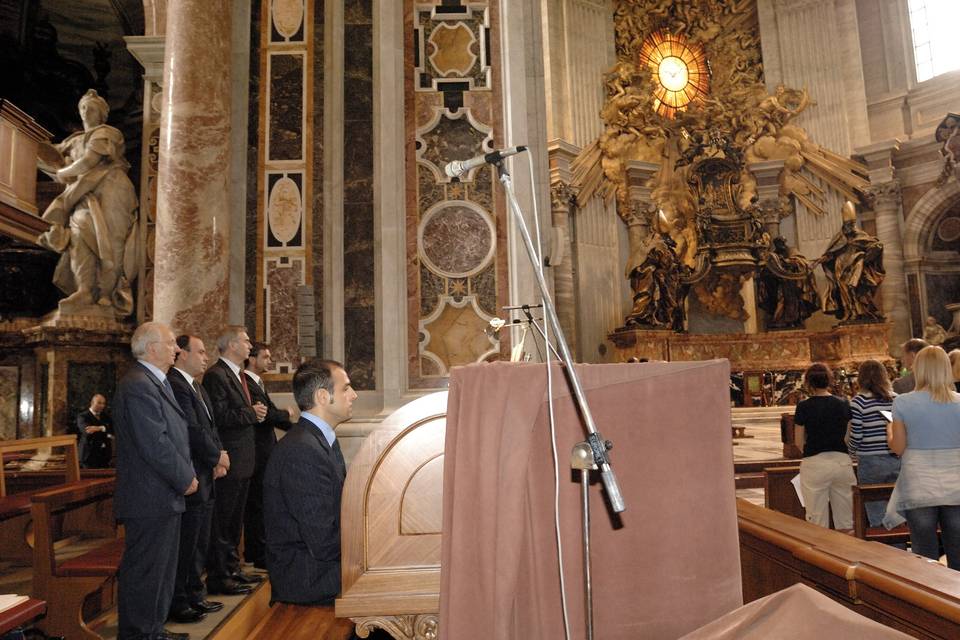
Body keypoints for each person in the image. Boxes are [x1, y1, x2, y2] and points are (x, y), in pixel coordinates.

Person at [112, 322, 197, 640]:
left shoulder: (153, 381)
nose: (177, 348)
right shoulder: (138, 384)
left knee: (161, 571)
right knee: (146, 572)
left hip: (161, 495)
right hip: (149, 496)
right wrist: (184, 476)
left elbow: (174, 436)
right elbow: (155, 443)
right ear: (150, 348)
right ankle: (139, 634)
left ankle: (153, 629)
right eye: (172, 342)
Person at [36, 88, 138, 315]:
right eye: (82, 107)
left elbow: (89, 162)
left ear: (103, 113)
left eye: (91, 108)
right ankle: (84, 290)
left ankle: (107, 294)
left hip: (111, 190)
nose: (85, 112)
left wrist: (64, 173)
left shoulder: (108, 133)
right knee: (79, 236)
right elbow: (50, 156)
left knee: (110, 242)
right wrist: (26, 138)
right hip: (83, 196)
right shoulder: (73, 141)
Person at [263, 359, 356, 604]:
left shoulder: (315, 440)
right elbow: (324, 542)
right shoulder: (302, 451)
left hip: (319, 567)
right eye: (346, 388)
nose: (354, 395)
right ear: (323, 396)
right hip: (308, 578)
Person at [167, 335, 231, 624]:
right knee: (188, 542)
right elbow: (191, 430)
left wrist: (218, 454)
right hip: (192, 471)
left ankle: (195, 594)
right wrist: (215, 456)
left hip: (206, 471)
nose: (206, 357)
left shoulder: (197, 387)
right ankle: (180, 601)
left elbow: (210, 425)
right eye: (201, 352)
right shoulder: (177, 385)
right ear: (182, 355)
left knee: (200, 540)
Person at [202, 326, 267, 595]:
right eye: (245, 340)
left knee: (234, 522)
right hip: (229, 459)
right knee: (223, 521)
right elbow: (219, 416)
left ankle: (233, 569)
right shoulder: (217, 375)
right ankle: (220, 576)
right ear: (230, 345)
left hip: (244, 460)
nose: (250, 344)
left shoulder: (237, 375)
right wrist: (251, 414)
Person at [885, 346, 960, 568]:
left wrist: (890, 432)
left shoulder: (903, 402)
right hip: (956, 480)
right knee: (958, 551)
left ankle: (927, 598)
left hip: (919, 481)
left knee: (924, 553)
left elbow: (898, 448)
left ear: (919, 369)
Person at [242, 343, 292, 569]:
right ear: (252, 359)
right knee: (256, 504)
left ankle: (259, 550)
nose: (269, 361)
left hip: (264, 449)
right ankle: (257, 552)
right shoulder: (246, 382)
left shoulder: (257, 382)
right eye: (266, 357)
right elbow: (265, 414)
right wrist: (285, 415)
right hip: (256, 450)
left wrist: (293, 424)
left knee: (261, 502)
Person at [794, 363, 855, 532]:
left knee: (816, 519)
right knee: (846, 520)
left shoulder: (804, 406)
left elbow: (799, 441)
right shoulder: (843, 403)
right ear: (829, 380)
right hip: (841, 461)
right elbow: (847, 437)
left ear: (808, 383)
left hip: (815, 462)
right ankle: (846, 556)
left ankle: (820, 555)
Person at [848, 360, 899, 528]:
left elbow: (857, 434)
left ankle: (886, 552)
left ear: (860, 379)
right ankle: (900, 550)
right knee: (898, 512)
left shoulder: (859, 402)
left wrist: (851, 451)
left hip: (871, 462)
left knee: (878, 514)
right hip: (897, 459)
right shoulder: (897, 400)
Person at [816, 200, 885, 324]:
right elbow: (832, 252)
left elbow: (877, 246)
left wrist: (864, 257)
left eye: (851, 224)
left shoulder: (860, 235)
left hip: (855, 267)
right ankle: (849, 313)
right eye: (848, 225)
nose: (849, 227)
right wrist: (826, 257)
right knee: (844, 292)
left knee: (855, 289)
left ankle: (862, 312)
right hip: (840, 268)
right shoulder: (839, 237)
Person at [72, 393, 113, 468]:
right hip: (88, 456)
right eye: (99, 403)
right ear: (92, 403)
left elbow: (113, 430)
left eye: (103, 403)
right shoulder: (83, 416)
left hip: (104, 456)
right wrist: (105, 429)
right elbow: (88, 431)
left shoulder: (105, 416)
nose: (102, 406)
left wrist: (99, 428)